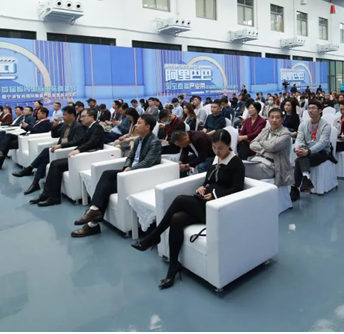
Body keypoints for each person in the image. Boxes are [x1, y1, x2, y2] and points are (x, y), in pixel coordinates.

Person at [131, 129, 245, 289]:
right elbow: (209, 180)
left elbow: (237, 188)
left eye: (220, 148)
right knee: (176, 219)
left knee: (180, 200)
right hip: (205, 203)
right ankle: (173, 267)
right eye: (214, 147)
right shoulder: (217, 159)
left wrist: (214, 195)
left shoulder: (236, 163)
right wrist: (203, 188)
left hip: (217, 208)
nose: (217, 151)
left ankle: (155, 236)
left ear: (229, 145)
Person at [71, 114, 162, 237]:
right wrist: (127, 167)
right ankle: (94, 212)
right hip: (129, 171)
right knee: (107, 174)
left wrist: (130, 169)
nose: (135, 125)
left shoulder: (155, 142)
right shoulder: (138, 140)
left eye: (139, 123)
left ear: (147, 127)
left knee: (106, 187)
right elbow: (130, 157)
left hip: (139, 175)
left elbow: (147, 162)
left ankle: (92, 222)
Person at [32, 108, 105, 206]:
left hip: (89, 156)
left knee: (55, 164)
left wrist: (78, 150)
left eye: (84, 116)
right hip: (81, 155)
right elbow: (82, 141)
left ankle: (53, 197)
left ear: (92, 117)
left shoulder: (97, 128)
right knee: (54, 164)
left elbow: (92, 143)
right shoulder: (89, 127)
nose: (81, 119)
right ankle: (47, 194)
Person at [14, 106, 85, 195]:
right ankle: (35, 183)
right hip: (60, 149)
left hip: (67, 150)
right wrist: (54, 126)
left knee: (45, 151)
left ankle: (30, 168)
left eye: (65, 115)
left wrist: (61, 145)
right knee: (44, 160)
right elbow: (54, 135)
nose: (63, 117)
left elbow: (76, 141)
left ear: (72, 115)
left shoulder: (78, 126)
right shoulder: (64, 125)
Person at [0, 107, 52, 171]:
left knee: (6, 144)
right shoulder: (39, 121)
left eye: (39, 113)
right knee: (8, 135)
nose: (37, 114)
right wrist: (24, 126)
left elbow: (38, 132)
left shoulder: (47, 123)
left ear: (44, 114)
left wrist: (27, 126)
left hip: (27, 139)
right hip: (24, 135)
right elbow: (32, 129)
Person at [292, 101, 333, 201]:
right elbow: (299, 139)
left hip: (322, 152)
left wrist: (309, 151)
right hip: (307, 150)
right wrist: (297, 148)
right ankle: (305, 179)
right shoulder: (303, 125)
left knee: (298, 160)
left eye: (313, 108)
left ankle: (295, 187)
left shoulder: (326, 126)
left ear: (320, 111)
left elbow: (323, 143)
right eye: (309, 108)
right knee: (301, 156)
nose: (310, 110)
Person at [245, 108, 294, 188]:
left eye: (277, 117)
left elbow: (272, 147)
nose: (274, 120)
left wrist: (261, 142)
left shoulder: (286, 134)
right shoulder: (265, 130)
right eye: (272, 117)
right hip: (257, 160)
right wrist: (265, 148)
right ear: (268, 119)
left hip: (271, 166)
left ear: (282, 120)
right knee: (237, 165)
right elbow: (252, 144)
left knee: (240, 169)